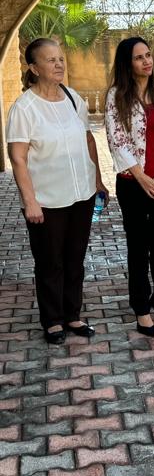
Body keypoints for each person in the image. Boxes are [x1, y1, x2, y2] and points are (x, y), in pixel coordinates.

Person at [6, 38, 108, 344]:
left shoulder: (73, 98)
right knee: (51, 262)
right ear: (34, 68)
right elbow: (18, 158)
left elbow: (88, 140)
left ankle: (72, 315)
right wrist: (30, 201)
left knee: (75, 259)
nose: (59, 64)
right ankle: (52, 320)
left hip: (82, 195)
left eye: (60, 58)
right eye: (50, 60)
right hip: (47, 201)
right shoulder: (24, 108)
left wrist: (98, 181)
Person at [104, 37, 154, 336]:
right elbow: (117, 140)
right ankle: (141, 309)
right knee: (138, 247)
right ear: (127, 64)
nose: (147, 61)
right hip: (132, 184)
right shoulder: (116, 96)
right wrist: (142, 178)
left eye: (148, 55)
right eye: (139, 57)